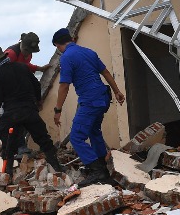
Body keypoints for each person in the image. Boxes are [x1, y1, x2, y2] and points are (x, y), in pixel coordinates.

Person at [51, 27, 125, 182]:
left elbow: (64, 86)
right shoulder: (89, 52)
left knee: (77, 137)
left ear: (58, 45)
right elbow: (105, 72)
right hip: (103, 98)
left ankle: (96, 170)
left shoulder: (66, 57)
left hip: (90, 101)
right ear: (71, 39)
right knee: (94, 131)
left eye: (57, 47)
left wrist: (58, 109)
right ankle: (103, 167)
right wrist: (117, 91)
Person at [0, 46, 63, 181]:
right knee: (44, 140)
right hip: (29, 111)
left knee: (8, 145)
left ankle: (7, 175)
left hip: (11, 114)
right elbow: (36, 84)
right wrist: (38, 101)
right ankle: (58, 169)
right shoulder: (22, 67)